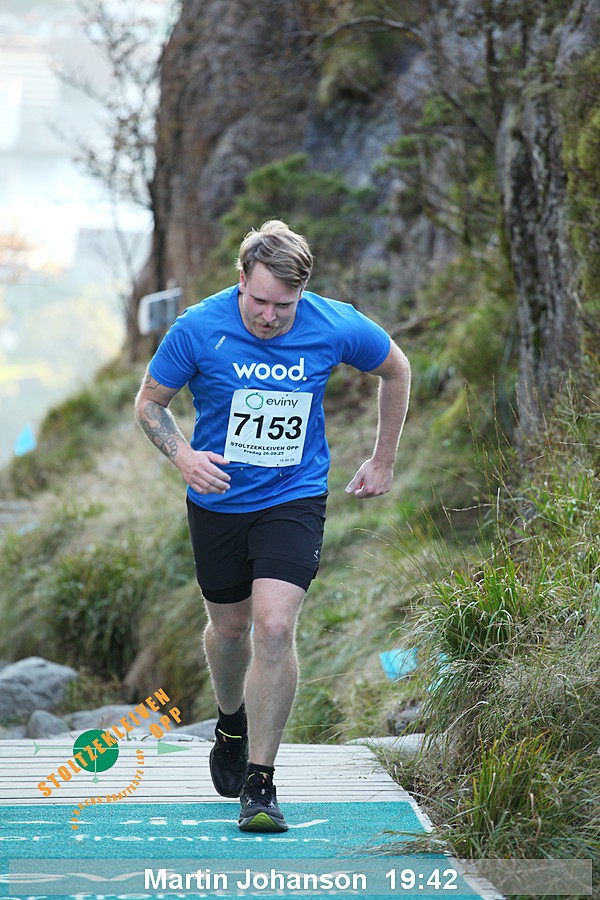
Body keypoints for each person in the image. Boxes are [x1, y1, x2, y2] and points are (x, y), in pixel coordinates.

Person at [134, 220, 410, 833]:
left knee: (276, 628)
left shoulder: (334, 324)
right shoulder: (198, 328)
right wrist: (184, 456)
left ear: (301, 292)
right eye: (259, 302)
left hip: (295, 496)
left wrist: (383, 458)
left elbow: (396, 369)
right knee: (229, 631)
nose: (268, 316)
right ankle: (230, 721)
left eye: (283, 306)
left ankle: (260, 783)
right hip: (219, 500)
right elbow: (150, 403)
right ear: (241, 280)